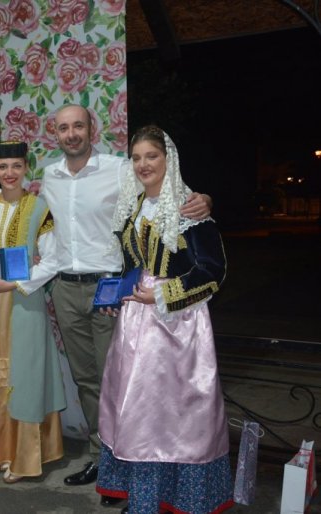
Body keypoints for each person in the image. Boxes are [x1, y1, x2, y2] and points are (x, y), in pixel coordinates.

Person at [96, 126, 231, 513]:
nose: (143, 164)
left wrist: (164, 294)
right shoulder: (134, 207)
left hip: (177, 326)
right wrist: (115, 294)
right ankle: (144, 497)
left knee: (173, 415)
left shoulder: (189, 208)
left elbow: (213, 271)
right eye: (137, 158)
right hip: (135, 322)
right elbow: (130, 264)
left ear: (168, 159)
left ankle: (178, 498)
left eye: (151, 156)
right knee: (134, 410)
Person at [0, 141, 67, 483]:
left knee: (25, 375)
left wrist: (15, 284)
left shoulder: (40, 208)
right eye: (2, 167)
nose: (9, 173)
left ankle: (26, 458)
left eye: (15, 166)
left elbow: (52, 260)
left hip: (24, 299)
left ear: (26, 168)